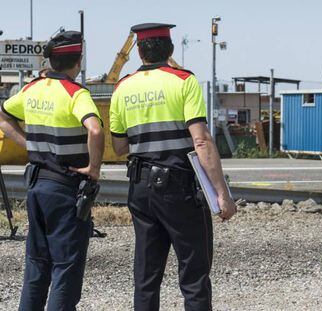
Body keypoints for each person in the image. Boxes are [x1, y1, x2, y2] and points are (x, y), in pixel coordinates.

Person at [110, 23, 237, 311]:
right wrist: (222, 193)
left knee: (145, 276)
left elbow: (119, 148)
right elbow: (201, 141)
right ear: (170, 50)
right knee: (194, 277)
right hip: (179, 188)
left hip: (140, 188)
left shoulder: (122, 87)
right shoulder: (183, 81)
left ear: (139, 51)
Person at [0, 31, 104, 310]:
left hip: (36, 185)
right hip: (65, 188)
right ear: (77, 61)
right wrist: (94, 169)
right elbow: (94, 129)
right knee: (66, 268)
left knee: (37, 263)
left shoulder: (31, 89)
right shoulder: (75, 93)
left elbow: (3, 115)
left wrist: (27, 143)